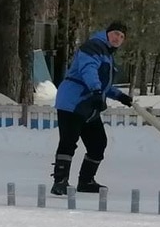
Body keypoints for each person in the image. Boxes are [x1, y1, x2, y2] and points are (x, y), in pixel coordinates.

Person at [50, 21, 134, 196]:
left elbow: (104, 85)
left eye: (121, 36)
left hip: (89, 105)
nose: (118, 38)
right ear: (107, 33)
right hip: (72, 101)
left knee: (98, 143)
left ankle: (86, 181)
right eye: (115, 33)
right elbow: (89, 70)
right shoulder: (93, 47)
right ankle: (60, 181)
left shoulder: (108, 55)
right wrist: (96, 90)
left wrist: (120, 96)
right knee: (68, 141)